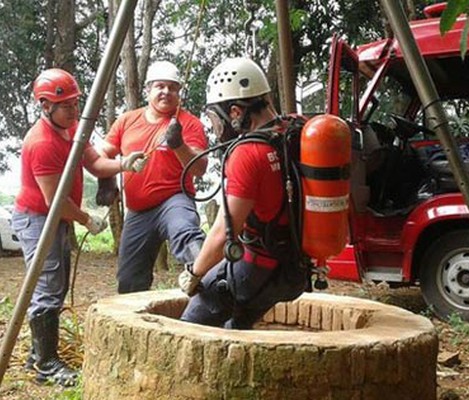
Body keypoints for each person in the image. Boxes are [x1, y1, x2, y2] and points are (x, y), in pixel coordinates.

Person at [12, 68, 146, 386]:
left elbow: (95, 162)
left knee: (55, 286)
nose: (74, 110)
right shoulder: (41, 143)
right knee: (47, 288)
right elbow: (53, 201)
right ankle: (46, 364)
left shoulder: (72, 128)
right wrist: (87, 219)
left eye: (75, 103)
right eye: (67, 105)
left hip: (54, 217)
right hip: (37, 218)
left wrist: (123, 164)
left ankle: (37, 356)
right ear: (46, 106)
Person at [178, 57, 307, 329]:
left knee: (191, 325)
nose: (217, 127)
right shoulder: (294, 130)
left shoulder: (248, 153)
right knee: (237, 328)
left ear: (235, 112)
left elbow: (226, 228)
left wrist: (195, 272)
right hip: (295, 270)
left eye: (217, 117)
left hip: (256, 268)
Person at [101, 60, 208, 294]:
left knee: (185, 231)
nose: (166, 92)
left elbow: (200, 168)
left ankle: (206, 276)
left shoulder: (189, 123)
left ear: (179, 92)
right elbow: (101, 155)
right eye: (160, 86)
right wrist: (106, 180)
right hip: (138, 210)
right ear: (148, 89)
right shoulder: (127, 121)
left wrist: (178, 144)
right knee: (129, 279)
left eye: (172, 87)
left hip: (174, 198)